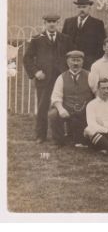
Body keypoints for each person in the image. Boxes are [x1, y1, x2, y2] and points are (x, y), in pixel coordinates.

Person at [23, 13, 74, 143]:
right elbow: (27, 58)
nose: (51, 24)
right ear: (44, 23)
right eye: (49, 21)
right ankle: (41, 135)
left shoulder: (65, 39)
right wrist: (36, 72)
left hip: (62, 78)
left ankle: (67, 134)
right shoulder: (37, 39)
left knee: (65, 105)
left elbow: (71, 57)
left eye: (54, 22)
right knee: (43, 107)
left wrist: (68, 72)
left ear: (58, 23)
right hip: (44, 79)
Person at [48, 51, 94, 147]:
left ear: (82, 62)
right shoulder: (61, 77)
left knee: (81, 141)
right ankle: (59, 141)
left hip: (84, 110)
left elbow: (97, 93)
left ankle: (78, 138)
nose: (75, 63)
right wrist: (61, 109)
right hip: (68, 109)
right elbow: (56, 97)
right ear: (68, 62)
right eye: (73, 60)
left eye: (78, 60)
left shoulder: (90, 76)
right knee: (53, 114)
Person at [62, 0, 106, 70]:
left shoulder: (97, 24)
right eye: (79, 7)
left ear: (89, 8)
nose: (81, 9)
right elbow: (62, 43)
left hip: (89, 64)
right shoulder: (68, 22)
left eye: (84, 7)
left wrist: (95, 62)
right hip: (70, 63)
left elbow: (101, 46)